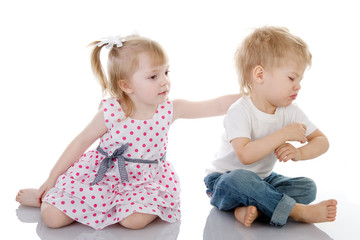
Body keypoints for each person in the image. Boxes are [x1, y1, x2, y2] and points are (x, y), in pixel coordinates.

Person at [16, 35, 240, 230]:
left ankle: (122, 206)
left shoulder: (171, 109)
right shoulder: (112, 111)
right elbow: (80, 142)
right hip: (102, 175)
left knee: (133, 222)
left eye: (166, 72)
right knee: (51, 219)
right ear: (126, 86)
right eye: (153, 76)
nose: (165, 81)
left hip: (144, 180)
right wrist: (51, 180)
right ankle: (45, 197)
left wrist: (253, 96)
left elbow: (218, 105)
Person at [204, 26, 337, 228]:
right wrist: (283, 134)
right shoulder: (239, 111)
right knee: (240, 180)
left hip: (264, 180)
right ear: (260, 75)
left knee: (307, 187)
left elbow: (322, 141)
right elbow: (245, 156)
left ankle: (252, 210)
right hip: (223, 181)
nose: (298, 85)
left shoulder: (290, 110)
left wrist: (299, 153)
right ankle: (297, 211)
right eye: (292, 78)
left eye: (300, 79)